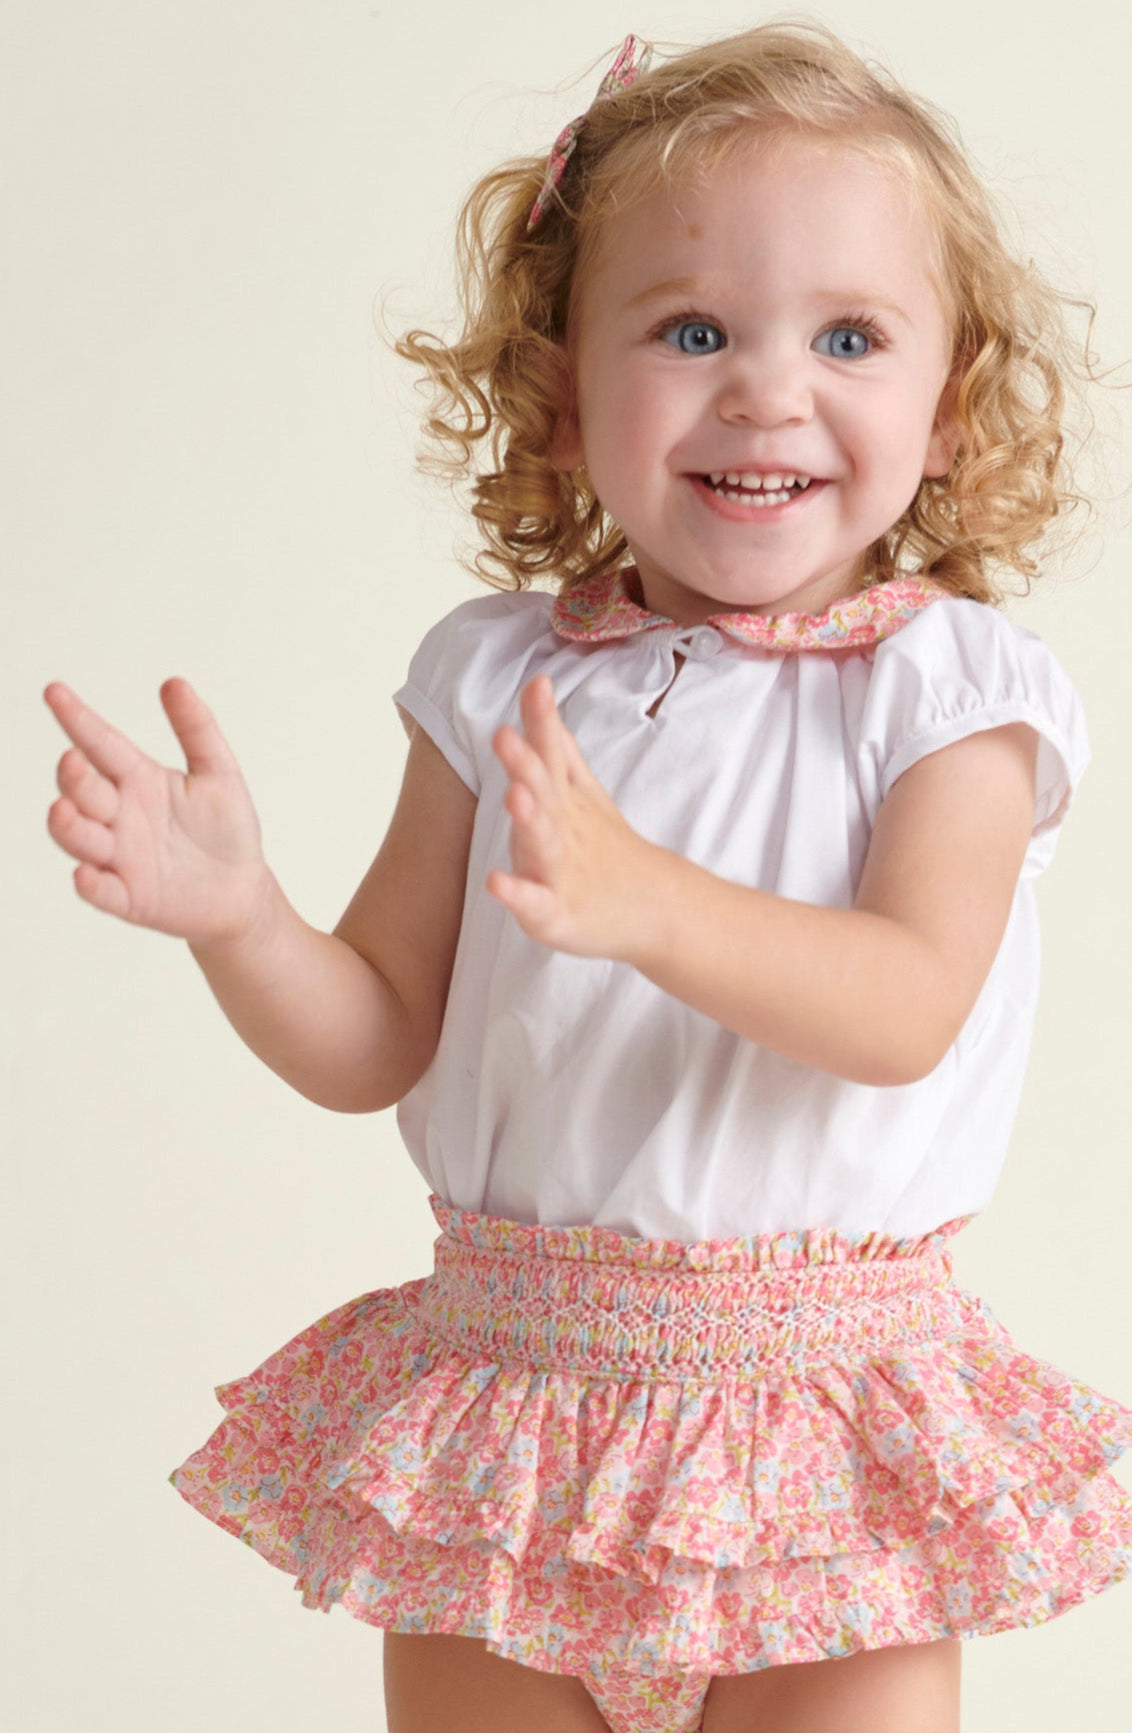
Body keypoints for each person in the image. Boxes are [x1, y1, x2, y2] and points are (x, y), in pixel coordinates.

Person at [43, 21, 1132, 1733]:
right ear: (562, 389)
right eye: (692, 328)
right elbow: (378, 1033)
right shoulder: (496, 677)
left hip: (816, 1415)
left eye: (850, 335)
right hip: (515, 1404)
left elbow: (909, 1001)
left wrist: (648, 903)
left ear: (950, 399)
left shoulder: (950, 693)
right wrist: (242, 919)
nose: (768, 387)